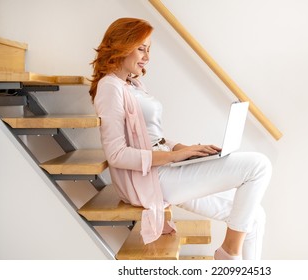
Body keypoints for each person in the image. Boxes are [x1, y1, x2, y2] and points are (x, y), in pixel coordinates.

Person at [89, 18, 272, 260]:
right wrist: (174, 156)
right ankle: (229, 253)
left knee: (255, 216)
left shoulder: (132, 84)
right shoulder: (110, 87)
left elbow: (154, 137)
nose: (147, 56)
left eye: (149, 49)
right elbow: (116, 154)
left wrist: (184, 148)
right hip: (151, 179)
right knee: (259, 165)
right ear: (123, 46)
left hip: (165, 167)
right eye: (141, 48)